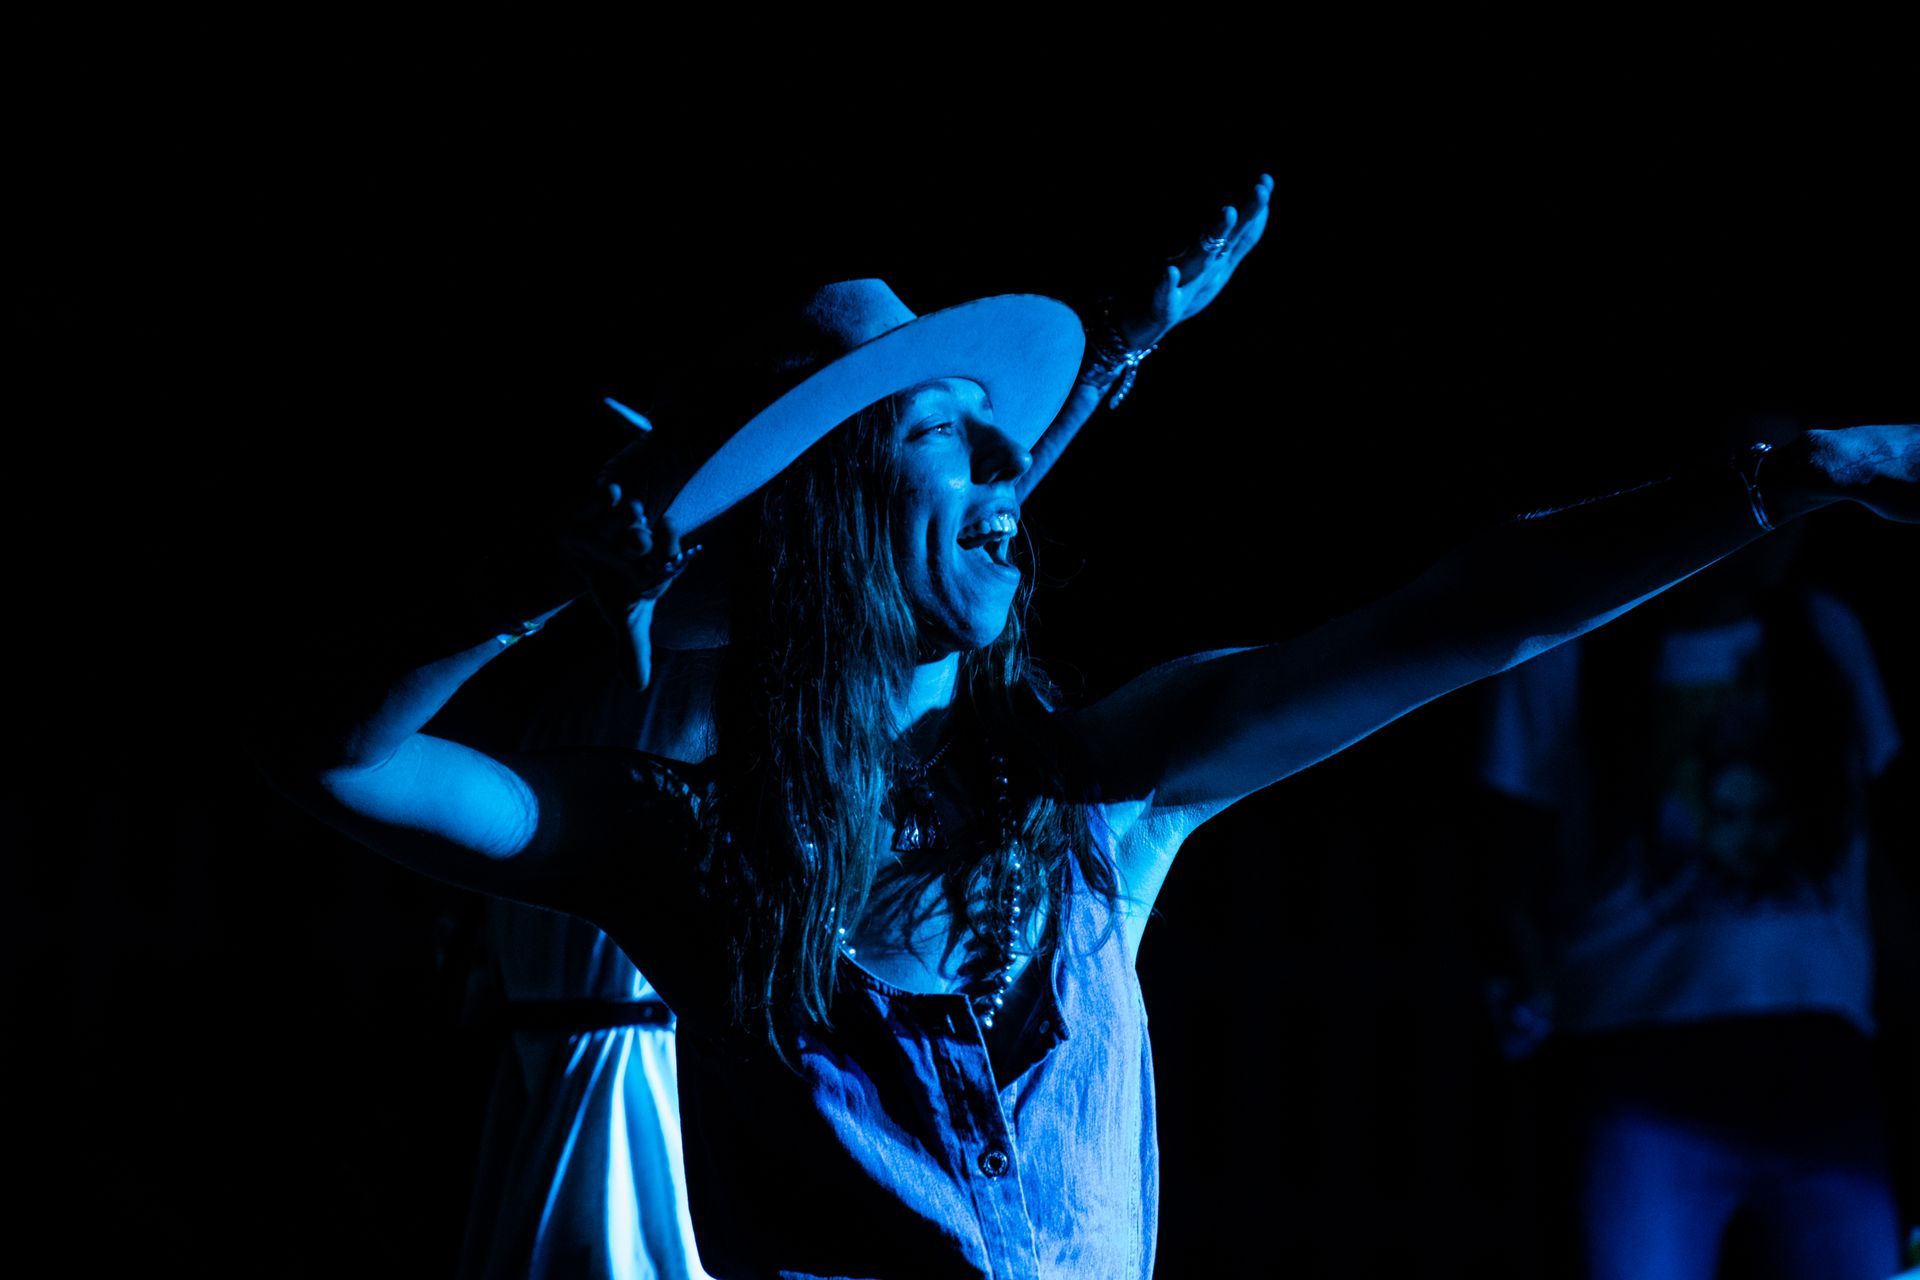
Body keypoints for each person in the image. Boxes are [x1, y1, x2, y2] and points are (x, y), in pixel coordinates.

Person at [250, 202, 1920, 1274]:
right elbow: (350, 767)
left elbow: (1467, 614)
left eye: (1006, 455)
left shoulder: (1102, 787)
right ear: (831, 523)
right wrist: (534, 599)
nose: (1006, 486)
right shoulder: (695, 848)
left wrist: (1783, 480)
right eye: (950, 446)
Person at [453, 186, 1274, 1280]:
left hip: (715, 1041)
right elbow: (904, 538)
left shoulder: (754, 643)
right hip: (648, 1044)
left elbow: (940, 525)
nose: (991, 470)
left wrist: (1116, 355)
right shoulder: (683, 656)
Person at [1477, 517, 1908, 1279]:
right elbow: (1508, 848)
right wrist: (1525, 968)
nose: (1788, 524)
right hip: (1632, 1049)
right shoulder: (1569, 645)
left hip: (1822, 1052)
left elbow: (1885, 854)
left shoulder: (1826, 633)